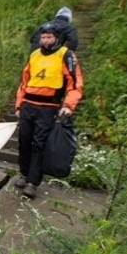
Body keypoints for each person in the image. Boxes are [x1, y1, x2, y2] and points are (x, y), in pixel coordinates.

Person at [14, 23, 84, 199]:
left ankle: (33, 182)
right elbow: (24, 82)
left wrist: (68, 105)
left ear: (57, 38)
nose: (45, 41)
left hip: (48, 107)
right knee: (24, 141)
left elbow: (75, 84)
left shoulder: (66, 55)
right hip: (28, 104)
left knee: (39, 144)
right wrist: (18, 105)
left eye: (49, 37)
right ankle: (24, 173)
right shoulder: (35, 55)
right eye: (43, 37)